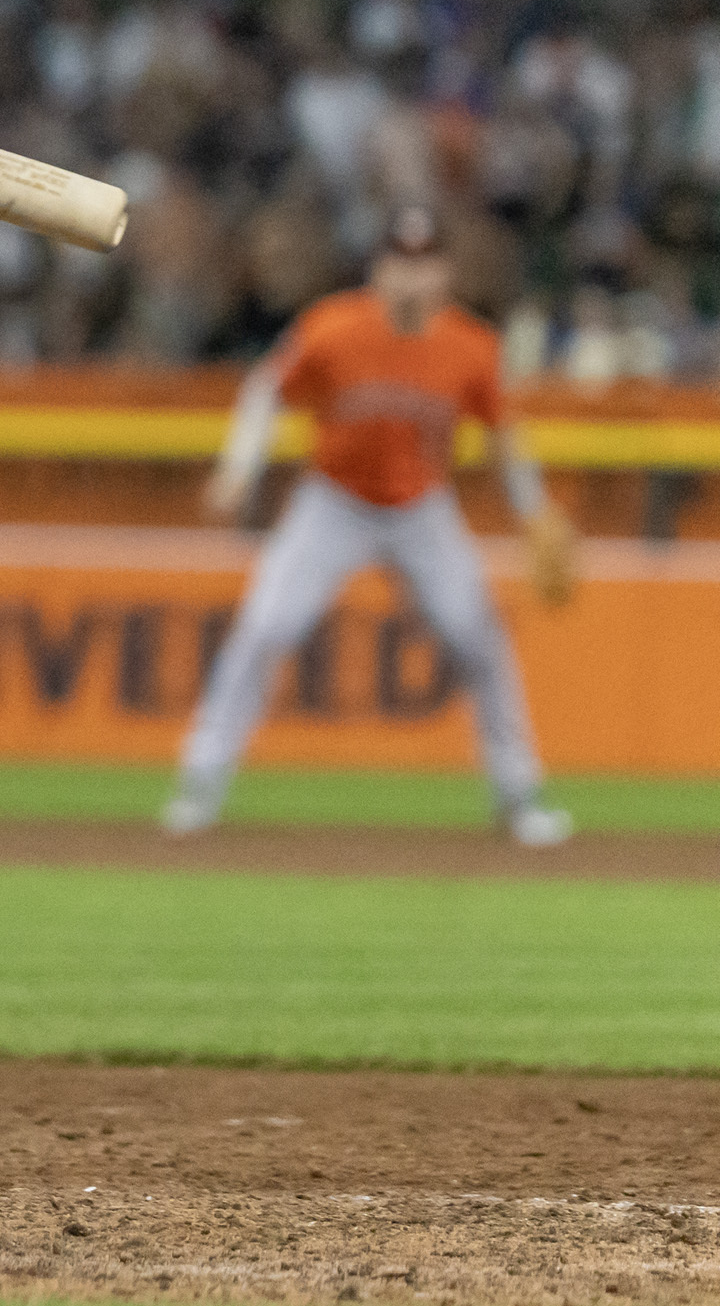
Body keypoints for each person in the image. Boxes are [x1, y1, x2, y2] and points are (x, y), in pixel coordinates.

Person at [165, 205, 576, 845]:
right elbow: (266, 388)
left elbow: (504, 436)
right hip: (333, 503)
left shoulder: (472, 345)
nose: (412, 278)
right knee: (267, 626)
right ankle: (201, 782)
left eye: (426, 263)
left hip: (422, 508)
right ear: (378, 270)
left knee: (479, 639)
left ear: (445, 272)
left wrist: (535, 509)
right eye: (400, 263)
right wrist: (238, 469)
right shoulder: (332, 328)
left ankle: (518, 795)